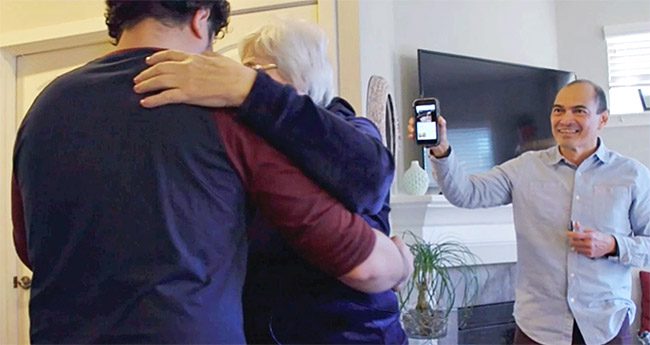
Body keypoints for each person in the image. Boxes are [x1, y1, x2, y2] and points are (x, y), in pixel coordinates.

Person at [11, 1, 413, 343]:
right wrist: (398, 262)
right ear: (200, 19)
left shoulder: (45, 108)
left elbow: (29, 246)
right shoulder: (217, 108)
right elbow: (354, 254)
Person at [133, 19, 407, 344]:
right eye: (243, 69)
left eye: (256, 69)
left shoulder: (349, 127)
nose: (232, 80)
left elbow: (371, 178)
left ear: (301, 73)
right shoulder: (249, 138)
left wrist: (251, 90)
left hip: (355, 334)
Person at [408, 80, 650, 345]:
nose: (565, 119)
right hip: (538, 327)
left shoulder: (632, 175)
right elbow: (466, 193)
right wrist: (441, 150)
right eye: (558, 110)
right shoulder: (524, 168)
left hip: (605, 327)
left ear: (603, 119)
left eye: (579, 111)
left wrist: (613, 245)